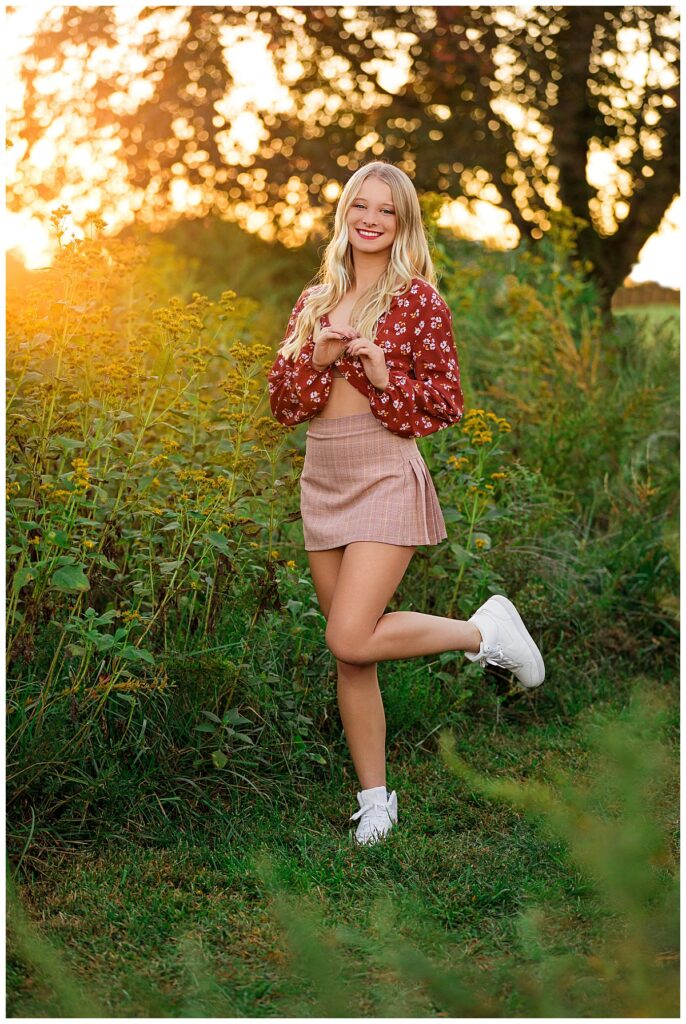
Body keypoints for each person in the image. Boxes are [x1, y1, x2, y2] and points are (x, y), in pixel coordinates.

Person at [268, 160, 545, 846]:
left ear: (402, 223)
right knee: (351, 655)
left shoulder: (418, 300)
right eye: (359, 205)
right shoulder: (316, 298)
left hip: (387, 471)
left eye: (385, 210)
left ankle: (485, 635)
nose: (369, 218)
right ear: (345, 214)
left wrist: (383, 376)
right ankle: (375, 801)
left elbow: (445, 403)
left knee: (349, 632)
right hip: (324, 475)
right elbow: (282, 403)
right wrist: (321, 357)